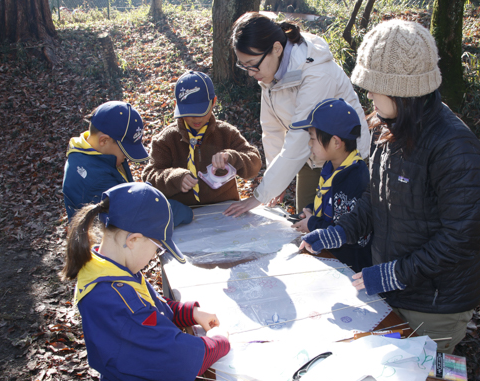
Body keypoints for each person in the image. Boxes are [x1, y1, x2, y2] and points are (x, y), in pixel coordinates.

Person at [300, 20, 480, 354]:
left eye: (374, 86)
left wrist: (394, 274)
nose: (368, 94)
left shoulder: (455, 147)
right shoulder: (389, 130)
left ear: (401, 90)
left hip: (434, 302)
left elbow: (459, 239)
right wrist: (339, 232)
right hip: (392, 287)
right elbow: (375, 199)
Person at [61, 182, 230, 381]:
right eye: (157, 248)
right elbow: (179, 358)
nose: (154, 256)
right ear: (133, 240)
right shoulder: (113, 298)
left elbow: (153, 307)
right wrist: (219, 340)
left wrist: (190, 313)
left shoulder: (111, 271)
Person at [224, 12, 371, 217]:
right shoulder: (269, 72)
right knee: (306, 222)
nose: (250, 72)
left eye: (252, 64)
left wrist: (259, 195)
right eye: (244, 65)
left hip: (344, 159)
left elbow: (300, 137)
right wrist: (276, 183)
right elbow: (272, 129)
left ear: (276, 48)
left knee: (336, 229)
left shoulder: (316, 72)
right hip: (312, 154)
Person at [62, 101, 193, 226]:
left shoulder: (98, 154)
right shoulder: (94, 179)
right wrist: (182, 212)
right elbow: (137, 216)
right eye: (125, 152)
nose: (126, 158)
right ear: (104, 140)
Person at [143, 71, 262, 206]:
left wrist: (232, 157)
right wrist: (174, 178)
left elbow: (254, 163)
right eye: (190, 112)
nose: (197, 118)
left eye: (201, 111)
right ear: (177, 105)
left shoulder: (226, 133)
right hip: (183, 213)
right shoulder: (166, 140)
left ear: (213, 102)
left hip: (224, 211)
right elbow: (150, 176)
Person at [289, 98, 371, 272]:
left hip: (348, 268)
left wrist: (312, 224)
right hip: (329, 256)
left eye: (313, 138)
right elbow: (329, 203)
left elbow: (347, 234)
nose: (310, 144)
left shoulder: (354, 177)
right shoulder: (332, 166)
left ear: (336, 142)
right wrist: (310, 212)